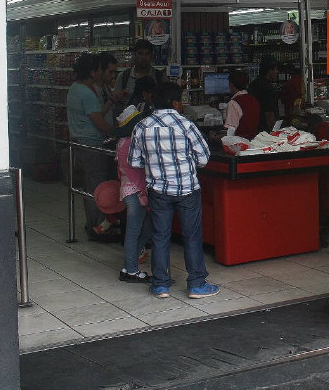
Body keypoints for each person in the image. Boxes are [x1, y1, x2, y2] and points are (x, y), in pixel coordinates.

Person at [127, 82, 219, 299]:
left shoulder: (142, 126)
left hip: (158, 190)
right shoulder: (186, 125)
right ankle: (196, 284)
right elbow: (204, 158)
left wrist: (155, 163)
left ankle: (160, 285)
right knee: (192, 236)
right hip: (187, 189)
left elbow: (134, 161)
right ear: (175, 102)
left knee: (160, 236)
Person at [66, 52, 117, 239]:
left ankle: (93, 223)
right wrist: (119, 132)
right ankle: (98, 228)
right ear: (93, 72)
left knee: (89, 186)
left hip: (78, 142)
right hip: (91, 144)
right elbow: (100, 123)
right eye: (99, 69)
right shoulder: (87, 94)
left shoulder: (74, 88)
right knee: (97, 187)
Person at [115, 105, 152, 283]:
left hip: (128, 189)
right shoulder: (131, 142)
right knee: (135, 231)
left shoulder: (122, 142)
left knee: (142, 229)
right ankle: (131, 270)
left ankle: (128, 266)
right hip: (136, 191)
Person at [117, 39, 166, 108]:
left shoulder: (160, 77)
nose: (144, 57)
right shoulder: (123, 77)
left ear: (151, 55)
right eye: (140, 53)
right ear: (135, 54)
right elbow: (116, 102)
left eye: (147, 54)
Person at [223, 69, 260, 138]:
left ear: (231, 84)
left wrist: (215, 137)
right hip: (253, 140)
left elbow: (230, 133)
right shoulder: (253, 100)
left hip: (238, 141)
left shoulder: (233, 103)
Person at [247, 60, 279, 132]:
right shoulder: (267, 87)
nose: (277, 72)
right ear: (269, 71)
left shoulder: (253, 84)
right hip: (265, 127)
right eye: (276, 69)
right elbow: (269, 113)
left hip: (254, 125)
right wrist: (274, 132)